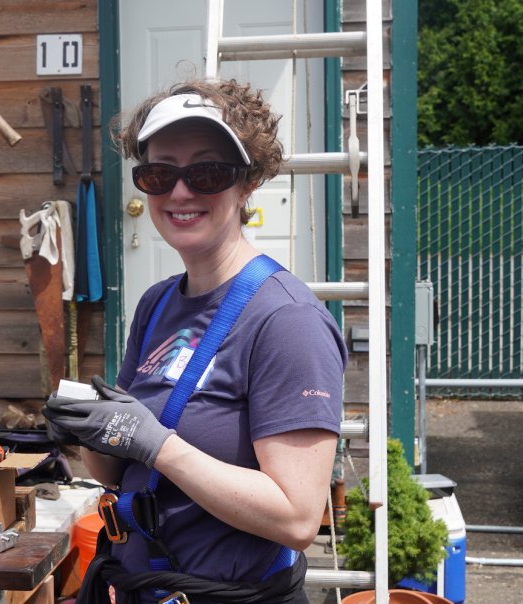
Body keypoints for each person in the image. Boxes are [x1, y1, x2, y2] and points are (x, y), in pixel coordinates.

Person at [44, 79, 347, 604]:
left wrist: (159, 446)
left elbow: (299, 517)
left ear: (247, 183)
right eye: (159, 173)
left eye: (207, 172)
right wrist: (89, 431)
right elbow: (121, 470)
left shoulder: (286, 320)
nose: (180, 193)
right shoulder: (158, 303)